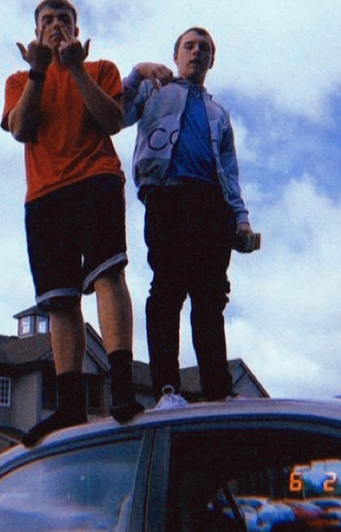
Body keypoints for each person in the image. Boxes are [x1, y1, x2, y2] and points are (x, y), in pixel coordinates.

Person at [2, 0, 143, 445]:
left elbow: (113, 120)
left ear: (77, 30)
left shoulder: (101, 68)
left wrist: (75, 68)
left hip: (96, 179)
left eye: (65, 19)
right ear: (36, 31)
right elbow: (21, 129)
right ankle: (69, 406)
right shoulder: (19, 79)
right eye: (48, 20)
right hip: (44, 195)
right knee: (60, 300)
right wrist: (39, 71)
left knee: (108, 274)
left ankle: (122, 388)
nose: (56, 25)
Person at [122, 26, 256, 405]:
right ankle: (167, 389)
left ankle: (217, 390)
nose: (197, 52)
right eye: (189, 46)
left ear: (212, 60)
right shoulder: (155, 90)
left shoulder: (219, 113)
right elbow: (117, 114)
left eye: (204, 49)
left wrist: (241, 218)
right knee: (167, 290)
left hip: (212, 206)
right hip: (167, 197)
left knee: (210, 298)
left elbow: (229, 171)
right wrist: (136, 73)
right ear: (176, 55)